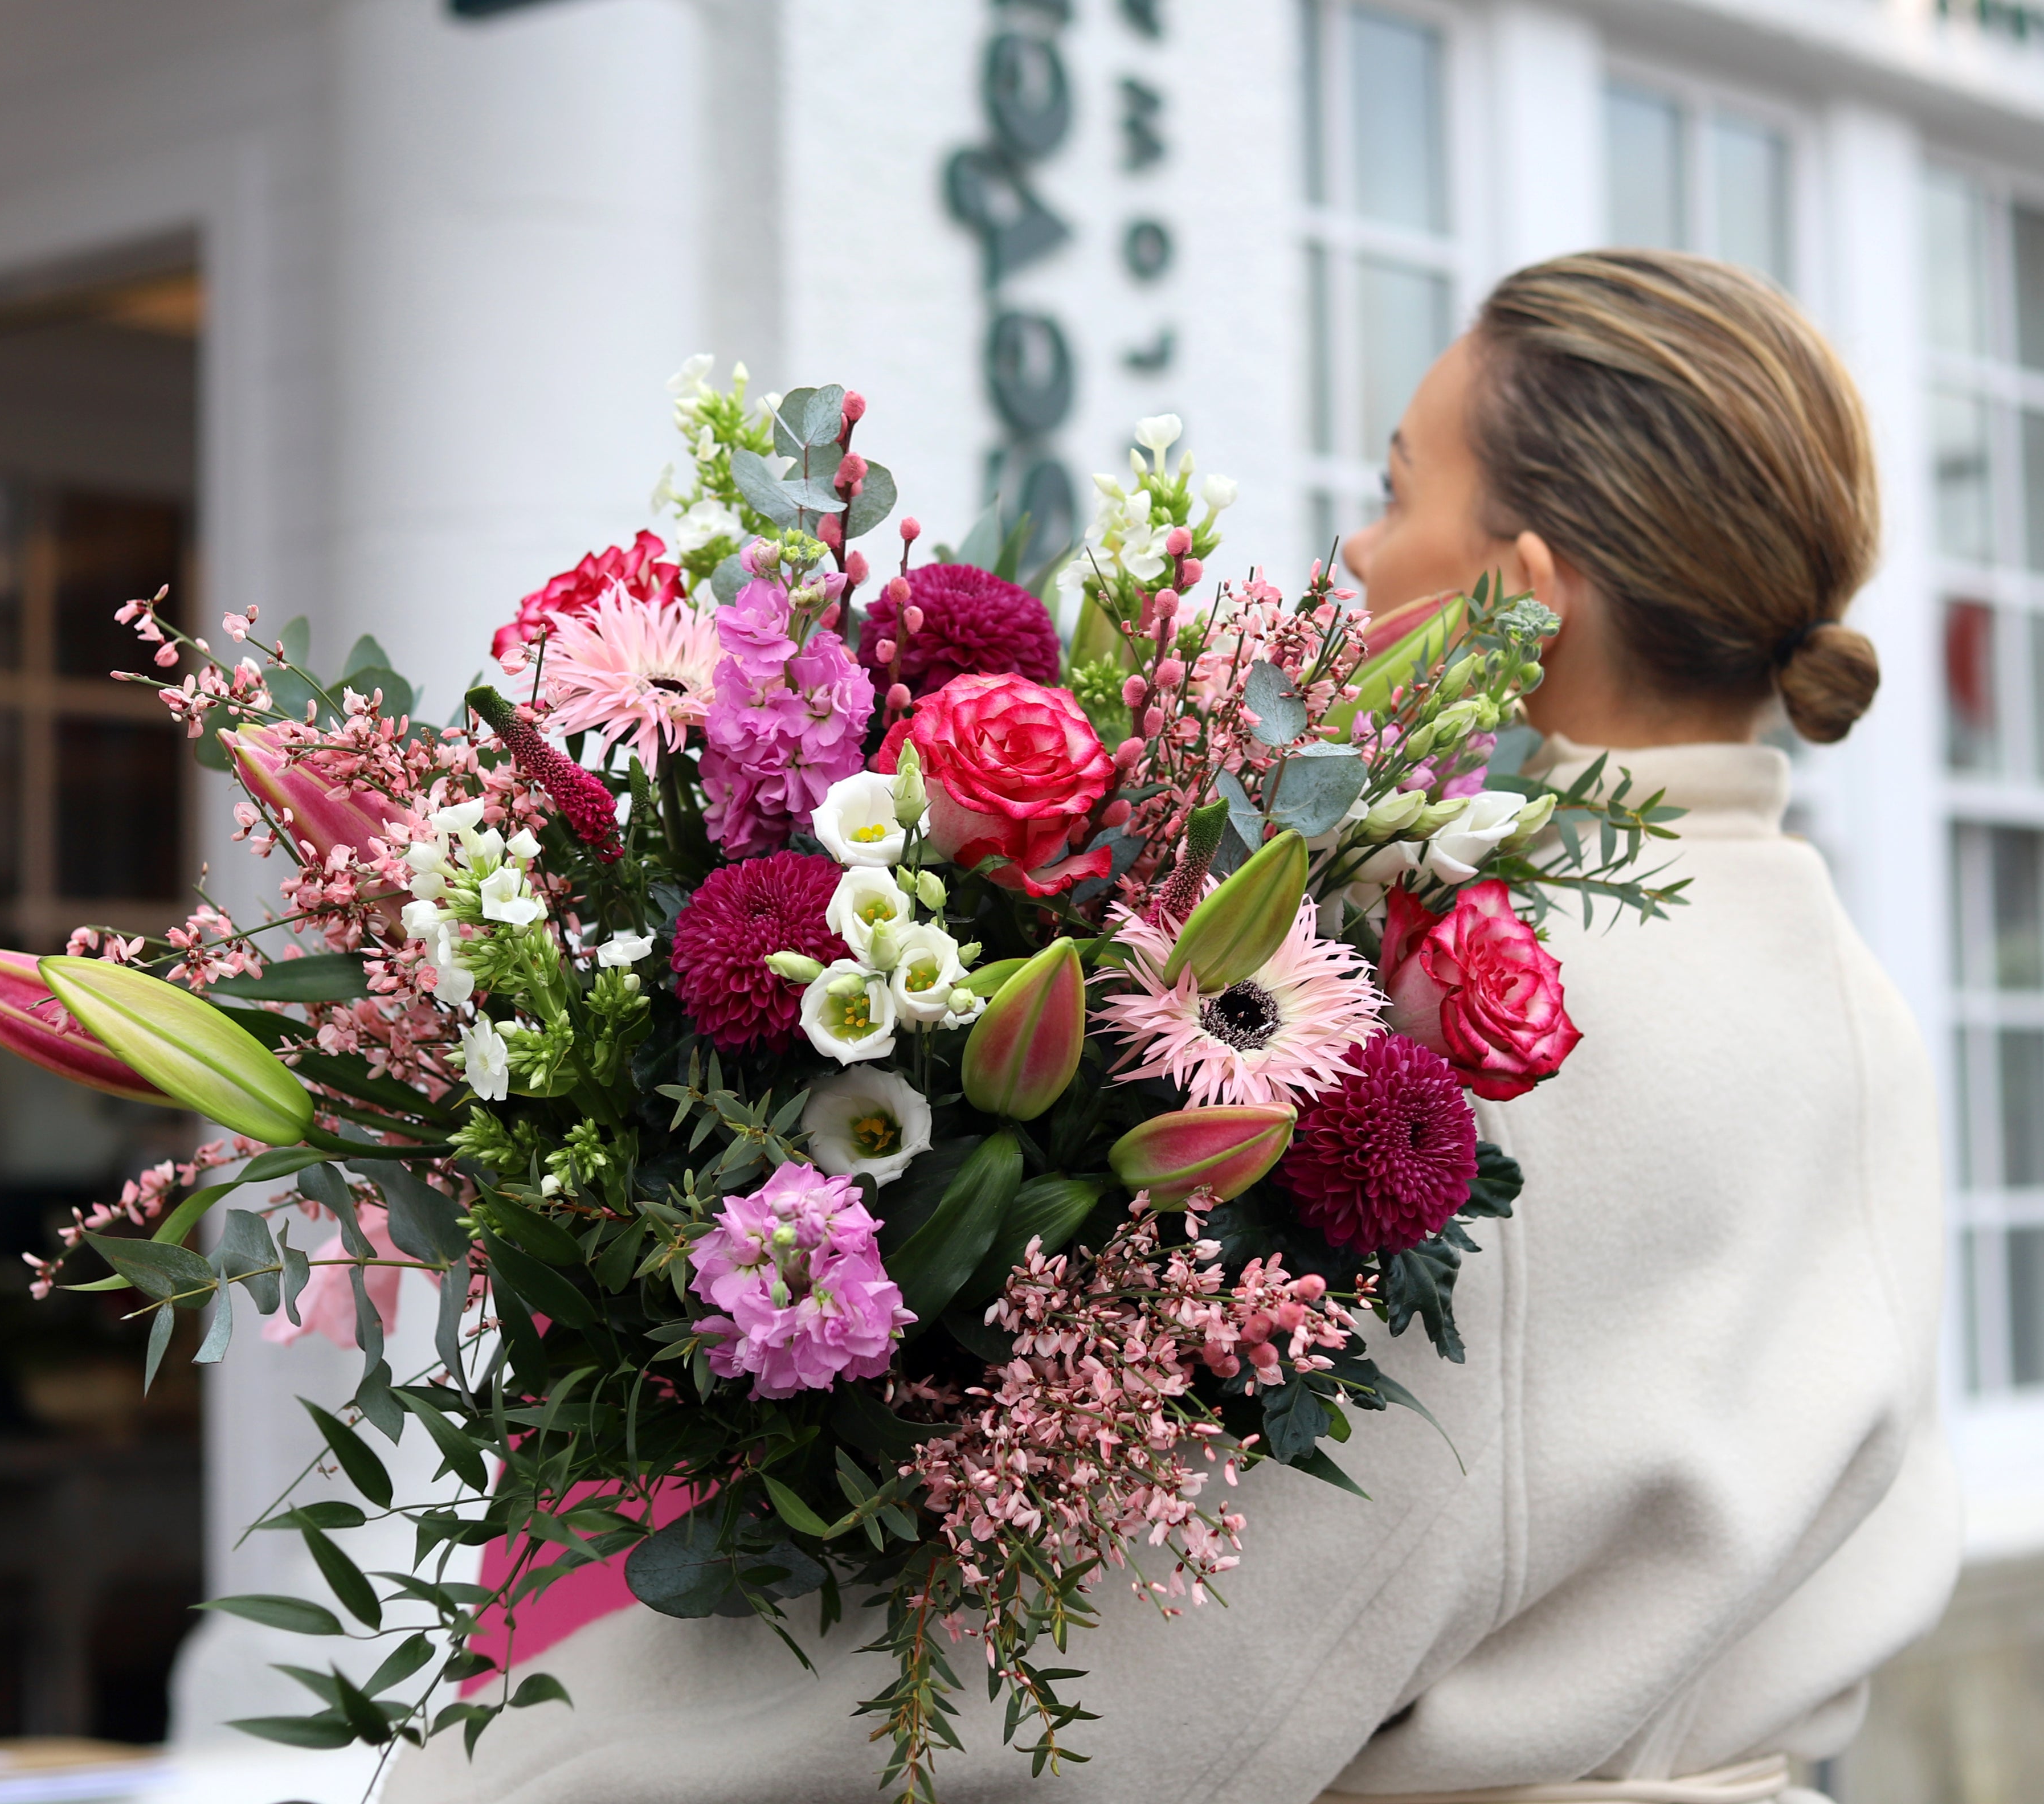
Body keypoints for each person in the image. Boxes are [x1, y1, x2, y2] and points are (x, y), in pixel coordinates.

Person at [388, 251, 1956, 1804]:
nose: (1355, 549)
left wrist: (537, 1756)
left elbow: (1205, 1647)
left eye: (1399, 490)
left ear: (1522, 599)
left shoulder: (1508, 1019)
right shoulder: (1847, 989)